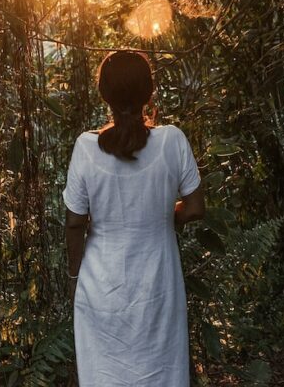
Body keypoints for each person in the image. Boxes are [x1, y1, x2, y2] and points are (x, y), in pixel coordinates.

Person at [63, 50, 206, 387]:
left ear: (104, 95)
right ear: (149, 93)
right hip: (159, 281)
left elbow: (74, 223)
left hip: (101, 285)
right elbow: (197, 207)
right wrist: (162, 217)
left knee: (105, 375)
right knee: (162, 372)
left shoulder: (85, 149)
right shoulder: (172, 141)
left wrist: (74, 277)